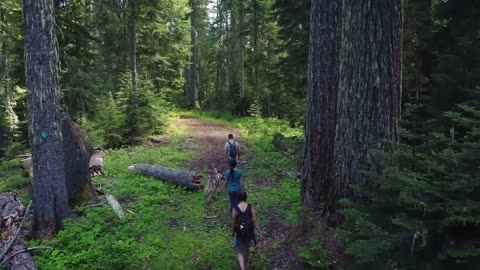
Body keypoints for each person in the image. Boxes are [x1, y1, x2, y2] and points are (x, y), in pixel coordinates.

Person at [232, 191, 262, 270]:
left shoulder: (235, 208)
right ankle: (245, 265)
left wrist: (232, 231)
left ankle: (242, 267)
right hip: (249, 231)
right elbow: (255, 221)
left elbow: (234, 222)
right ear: (246, 197)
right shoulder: (250, 207)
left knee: (239, 249)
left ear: (238, 198)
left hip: (239, 231)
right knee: (246, 247)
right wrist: (259, 232)